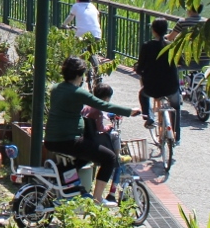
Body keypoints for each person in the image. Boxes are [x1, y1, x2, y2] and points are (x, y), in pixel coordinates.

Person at [44, 57, 140, 204]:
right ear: (78, 75)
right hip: (68, 139)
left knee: (86, 156)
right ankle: (98, 198)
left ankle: (67, 181)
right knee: (109, 158)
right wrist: (129, 111)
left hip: (51, 139)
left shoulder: (56, 88)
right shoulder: (76, 92)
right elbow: (103, 104)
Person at [136, 18, 182, 148]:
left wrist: (139, 70)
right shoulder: (171, 46)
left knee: (143, 94)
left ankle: (149, 117)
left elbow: (141, 67)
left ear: (153, 30)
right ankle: (177, 136)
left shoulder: (147, 46)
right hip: (171, 86)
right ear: (166, 30)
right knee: (176, 107)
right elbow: (181, 62)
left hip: (152, 87)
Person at [81, 83, 121, 202]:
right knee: (115, 135)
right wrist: (108, 127)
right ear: (106, 98)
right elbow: (100, 128)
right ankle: (117, 155)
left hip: (87, 136)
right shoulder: (97, 111)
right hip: (95, 139)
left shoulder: (88, 107)